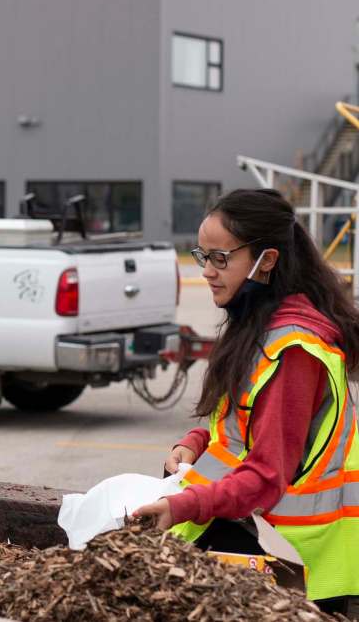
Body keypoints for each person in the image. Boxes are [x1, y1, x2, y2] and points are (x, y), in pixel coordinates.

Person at [132, 189, 359, 617]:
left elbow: (267, 475)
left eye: (222, 259)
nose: (209, 273)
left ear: (267, 261)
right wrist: (197, 441)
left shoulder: (293, 350)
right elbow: (242, 427)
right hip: (261, 537)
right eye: (204, 256)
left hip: (293, 560)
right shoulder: (259, 325)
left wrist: (183, 505)